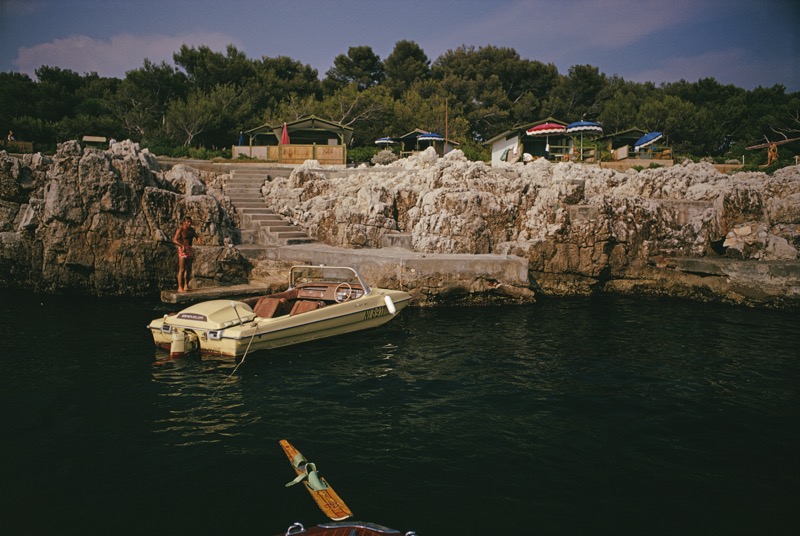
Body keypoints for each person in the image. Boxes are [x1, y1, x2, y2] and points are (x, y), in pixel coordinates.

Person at [173, 216, 200, 292]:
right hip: (182, 249)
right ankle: (180, 287)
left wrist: (198, 238)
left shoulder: (191, 230)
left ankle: (186, 285)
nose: (189, 223)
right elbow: (174, 240)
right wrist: (181, 245)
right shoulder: (180, 230)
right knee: (182, 269)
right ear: (184, 222)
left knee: (188, 269)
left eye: (190, 222)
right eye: (188, 222)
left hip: (189, 249)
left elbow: (196, 236)